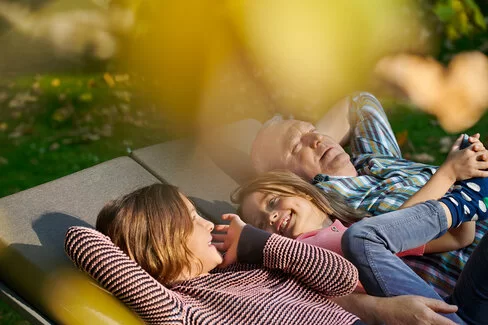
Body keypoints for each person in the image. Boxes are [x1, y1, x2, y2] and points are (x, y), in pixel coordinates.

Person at [92, 183, 459, 325]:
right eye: (190, 220)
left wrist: (257, 243)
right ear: (159, 242)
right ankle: (457, 205)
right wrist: (132, 242)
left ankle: (467, 200)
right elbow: (84, 241)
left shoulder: (248, 264)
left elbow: (340, 276)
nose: (206, 223)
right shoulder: (180, 308)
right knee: (363, 238)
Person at [250, 91, 488, 297]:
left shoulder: (370, 160)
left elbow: (359, 102)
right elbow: (401, 229)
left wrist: (313, 141)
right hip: (471, 274)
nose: (317, 139)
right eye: (295, 146)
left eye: (313, 130)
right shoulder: (334, 204)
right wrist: (451, 174)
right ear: (287, 182)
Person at [232, 170, 488, 324]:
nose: (271, 218)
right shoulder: (292, 256)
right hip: (412, 317)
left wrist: (467, 177)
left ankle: (468, 195)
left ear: (303, 192)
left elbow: (458, 238)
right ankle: (465, 200)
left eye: (273, 202)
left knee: (361, 235)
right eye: (259, 224)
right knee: (359, 238)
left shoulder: (357, 229)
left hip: (453, 311)